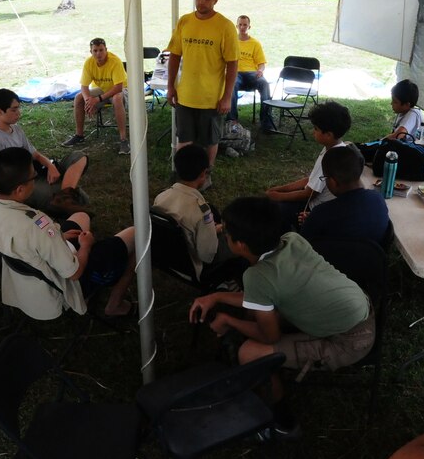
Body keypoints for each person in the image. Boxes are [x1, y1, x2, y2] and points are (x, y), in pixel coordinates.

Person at [188, 197, 374, 438]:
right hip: (360, 305)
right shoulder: (292, 240)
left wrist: (228, 320)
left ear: (241, 245)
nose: (224, 234)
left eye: (227, 233)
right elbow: (264, 294)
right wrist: (218, 297)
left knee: (250, 353)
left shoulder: (258, 276)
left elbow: (270, 336)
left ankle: (281, 421)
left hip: (349, 340)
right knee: (257, 313)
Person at [0, 147, 136, 321]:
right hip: (59, 289)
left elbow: (25, 243)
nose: (35, 179)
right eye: (33, 176)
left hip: (25, 285)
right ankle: (115, 304)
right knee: (136, 234)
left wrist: (60, 237)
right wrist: (86, 246)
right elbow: (74, 273)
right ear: (19, 189)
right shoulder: (37, 225)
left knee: (81, 216)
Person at [166, 0, 239, 172]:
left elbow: (232, 63)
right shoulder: (185, 21)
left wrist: (227, 97)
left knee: (209, 140)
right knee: (184, 139)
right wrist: (171, 86)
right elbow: (174, 55)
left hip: (211, 98)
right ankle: (184, 175)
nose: (202, 2)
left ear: (215, 0)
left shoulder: (225, 26)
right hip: (185, 95)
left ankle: (206, 174)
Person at [0, 88, 89, 215]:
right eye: (14, 109)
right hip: (24, 184)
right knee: (82, 198)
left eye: (18, 108)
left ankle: (64, 197)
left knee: (78, 157)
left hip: (36, 172)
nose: (18, 113)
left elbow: (35, 154)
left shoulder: (16, 129)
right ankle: (65, 197)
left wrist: (50, 166)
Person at [152, 144, 245, 285]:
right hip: (193, 264)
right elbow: (208, 254)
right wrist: (217, 230)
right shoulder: (201, 210)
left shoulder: (161, 197)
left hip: (169, 256)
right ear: (203, 174)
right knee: (243, 241)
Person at [265, 101, 354, 226]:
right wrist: (280, 190)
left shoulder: (330, 158)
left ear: (328, 135)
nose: (313, 132)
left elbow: (309, 194)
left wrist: (278, 196)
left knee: (273, 211)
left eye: (316, 129)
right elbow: (311, 180)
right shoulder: (334, 147)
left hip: (312, 210)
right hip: (312, 201)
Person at [299, 145, 390, 246]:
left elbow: (303, 247)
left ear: (333, 182)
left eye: (324, 178)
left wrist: (310, 223)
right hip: (372, 259)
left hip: (331, 260)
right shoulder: (378, 199)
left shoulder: (321, 213)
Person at [62, 37, 130, 155]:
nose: (98, 53)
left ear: (106, 50)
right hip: (102, 89)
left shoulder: (115, 61)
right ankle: (79, 135)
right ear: (91, 52)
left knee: (117, 98)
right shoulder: (89, 62)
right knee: (79, 97)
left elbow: (118, 87)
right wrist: (88, 101)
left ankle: (123, 140)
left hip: (122, 89)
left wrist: (97, 100)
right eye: (95, 51)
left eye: (101, 50)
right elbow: (84, 86)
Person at [227, 15, 275, 132]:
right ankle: (232, 120)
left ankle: (266, 121)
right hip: (236, 72)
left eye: (245, 25)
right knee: (231, 84)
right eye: (240, 24)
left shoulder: (255, 43)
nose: (242, 27)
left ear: (249, 26)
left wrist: (260, 70)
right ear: (236, 26)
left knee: (264, 83)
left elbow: (261, 63)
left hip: (251, 73)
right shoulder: (231, 42)